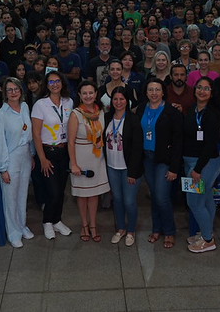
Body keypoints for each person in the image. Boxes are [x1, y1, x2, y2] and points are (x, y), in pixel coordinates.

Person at [135, 78, 183, 248]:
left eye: (157, 90)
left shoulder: (172, 112)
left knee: (162, 197)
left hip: (164, 159)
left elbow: (178, 142)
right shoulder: (141, 108)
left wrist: (174, 168)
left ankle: (169, 231)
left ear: (163, 92)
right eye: (150, 90)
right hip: (147, 159)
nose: (154, 93)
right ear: (146, 92)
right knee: (155, 196)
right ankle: (157, 229)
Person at [0, 78, 36, 248]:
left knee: (22, 195)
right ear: (4, 93)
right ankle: (13, 232)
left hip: (25, 157)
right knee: (10, 198)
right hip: (10, 159)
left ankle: (22, 226)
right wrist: (3, 169)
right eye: (9, 89)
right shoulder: (0, 116)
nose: (13, 92)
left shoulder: (24, 107)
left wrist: (31, 154)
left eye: (16, 89)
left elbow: (29, 134)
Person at [31, 71, 74, 239]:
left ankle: (57, 220)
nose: (55, 84)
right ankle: (47, 221)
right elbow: (36, 134)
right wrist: (42, 158)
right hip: (48, 152)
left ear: (62, 83)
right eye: (51, 82)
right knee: (53, 192)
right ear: (46, 85)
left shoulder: (69, 101)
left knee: (61, 190)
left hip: (64, 151)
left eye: (57, 81)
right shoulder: (40, 104)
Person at [183, 77, 220, 253]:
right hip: (191, 161)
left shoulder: (212, 114)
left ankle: (207, 240)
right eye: (199, 87)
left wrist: (198, 169)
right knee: (206, 199)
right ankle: (206, 232)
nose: (202, 91)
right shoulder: (192, 110)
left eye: (206, 88)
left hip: (204, 164)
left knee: (194, 202)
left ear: (212, 93)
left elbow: (209, 145)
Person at [68, 80, 110, 242]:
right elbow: (71, 142)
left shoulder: (101, 112)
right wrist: (74, 164)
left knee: (94, 194)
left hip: (96, 157)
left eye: (91, 93)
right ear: (79, 95)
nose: (88, 96)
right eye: (84, 93)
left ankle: (93, 225)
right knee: (82, 194)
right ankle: (84, 225)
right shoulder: (76, 114)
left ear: (96, 94)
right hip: (80, 157)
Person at [104, 86, 143, 247]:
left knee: (129, 201)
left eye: (121, 99)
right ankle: (120, 228)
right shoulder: (106, 117)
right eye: (115, 99)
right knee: (118, 199)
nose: (118, 102)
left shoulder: (133, 120)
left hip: (128, 168)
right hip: (112, 166)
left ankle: (131, 230)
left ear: (127, 101)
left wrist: (133, 172)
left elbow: (137, 148)